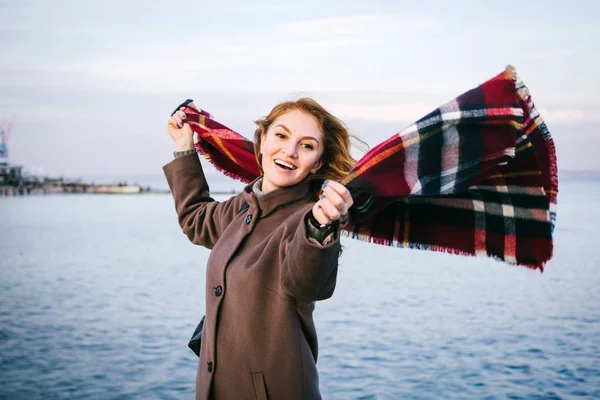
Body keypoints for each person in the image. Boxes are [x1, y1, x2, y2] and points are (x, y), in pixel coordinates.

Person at [164, 98, 356, 400]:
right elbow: (196, 220)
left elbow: (308, 283)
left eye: (306, 146)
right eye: (281, 135)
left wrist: (322, 225)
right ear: (263, 141)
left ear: (317, 163)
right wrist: (185, 147)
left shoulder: (307, 217)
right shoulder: (244, 205)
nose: (289, 151)